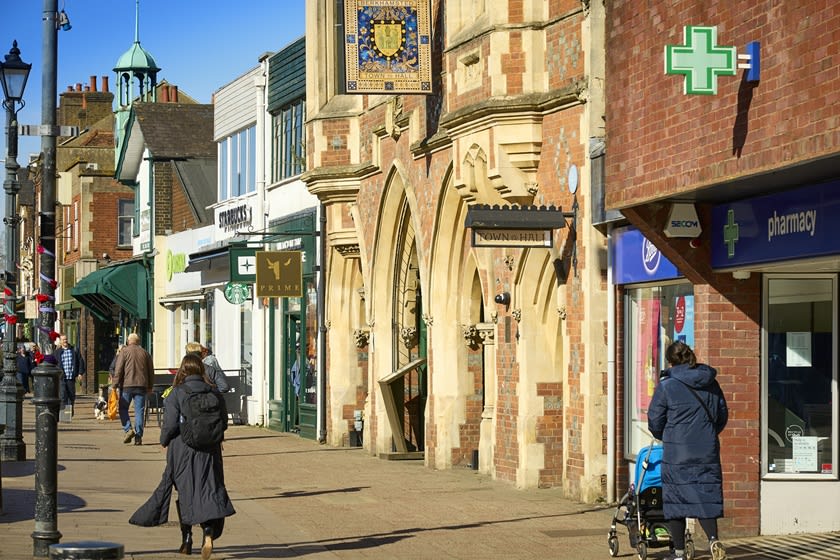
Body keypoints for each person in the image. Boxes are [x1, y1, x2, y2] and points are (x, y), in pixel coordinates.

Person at [129, 353, 235, 559]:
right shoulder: (213, 392)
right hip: (210, 451)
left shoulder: (176, 393)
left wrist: (164, 441)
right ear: (201, 370)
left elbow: (169, 425)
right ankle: (208, 531)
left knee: (185, 492)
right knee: (208, 490)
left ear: (183, 371)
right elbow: (223, 423)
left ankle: (186, 539)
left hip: (182, 450)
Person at [647, 341, 729, 560]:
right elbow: (722, 416)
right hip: (707, 450)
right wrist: (707, 435)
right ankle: (713, 540)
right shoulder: (712, 383)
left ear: (671, 361)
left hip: (677, 452)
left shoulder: (667, 386)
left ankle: (680, 553)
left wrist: (667, 436)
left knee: (676, 501)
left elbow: (655, 420)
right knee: (706, 496)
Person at [114, 333, 154, 446]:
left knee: (123, 408)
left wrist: (114, 385)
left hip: (127, 385)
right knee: (139, 411)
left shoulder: (124, 352)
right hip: (141, 386)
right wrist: (150, 386)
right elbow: (151, 371)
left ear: (128, 341)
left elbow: (118, 369)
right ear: (138, 341)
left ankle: (128, 429)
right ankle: (138, 436)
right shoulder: (145, 353)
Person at [53, 334, 85, 414]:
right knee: (63, 395)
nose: (65, 341)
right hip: (61, 377)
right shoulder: (57, 353)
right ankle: (64, 413)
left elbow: (80, 362)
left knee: (71, 396)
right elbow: (54, 364)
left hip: (71, 377)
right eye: (63, 340)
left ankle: (70, 411)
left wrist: (80, 373)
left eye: (66, 339)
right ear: (60, 341)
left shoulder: (74, 350)